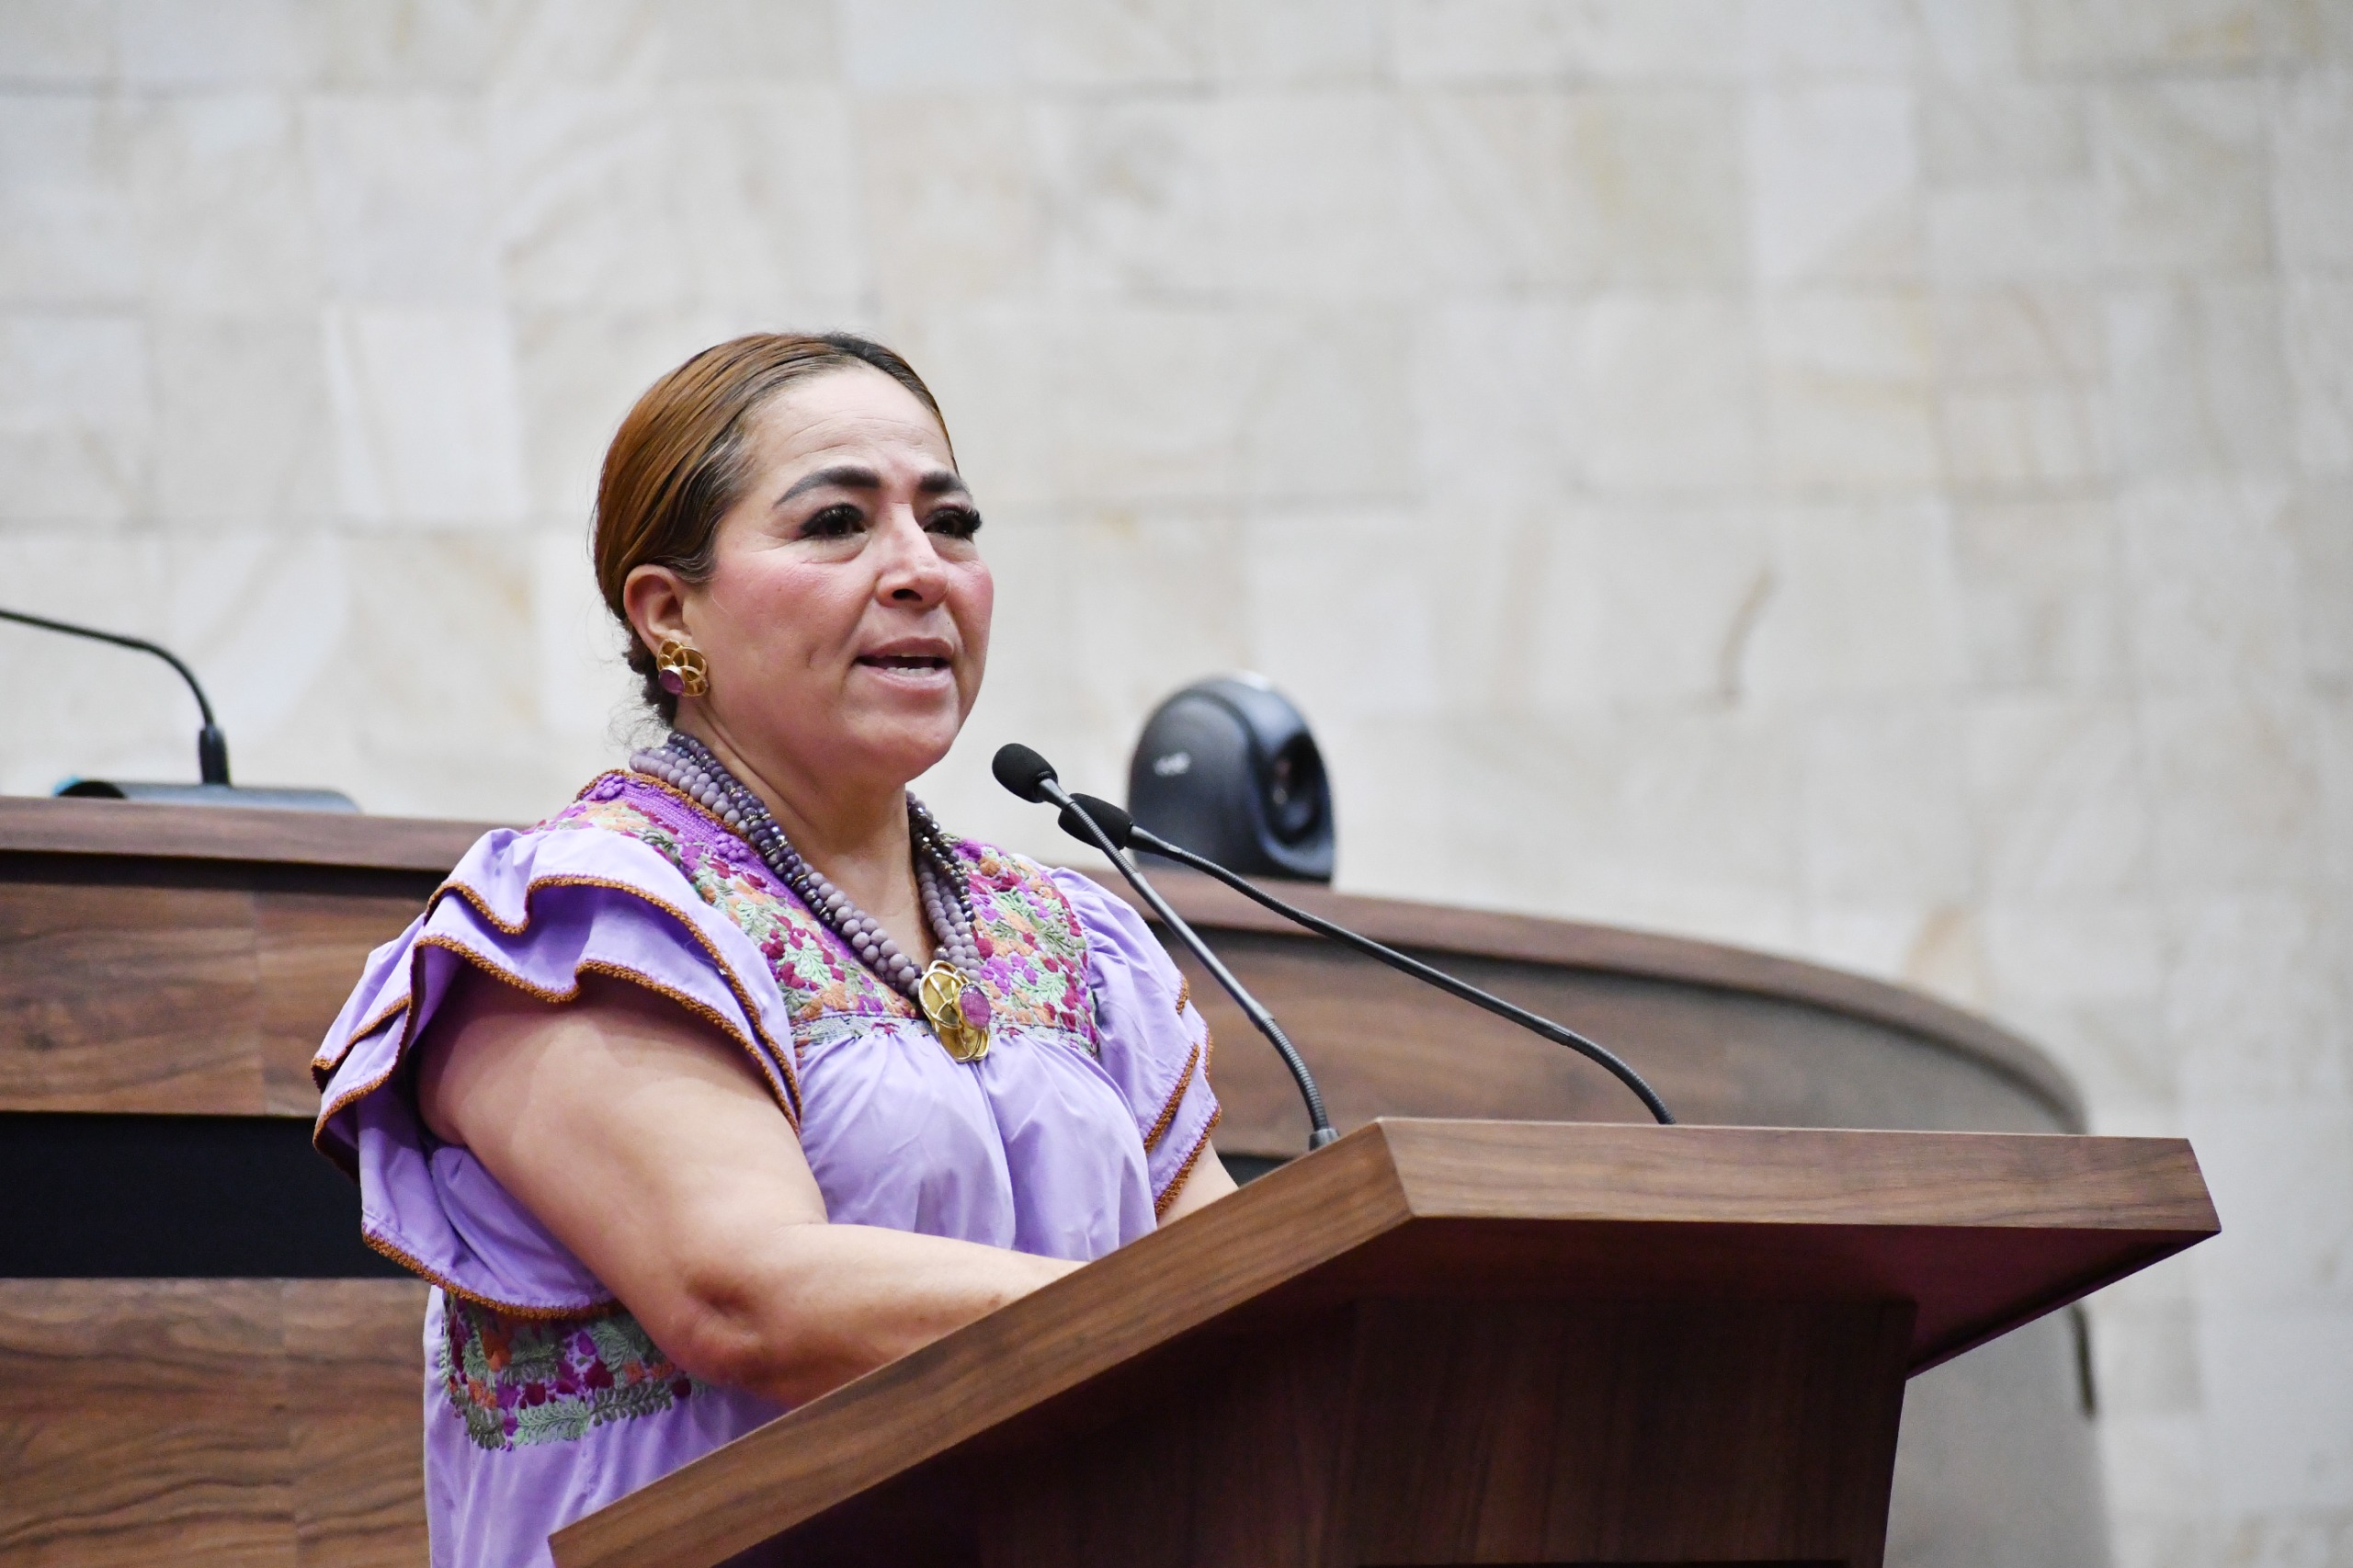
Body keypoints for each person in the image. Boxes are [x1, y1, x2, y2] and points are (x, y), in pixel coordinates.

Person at [311, 333, 1233, 1565]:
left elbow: (1245, 1292)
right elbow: (746, 1295)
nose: (920, 568)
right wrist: (1194, 1315)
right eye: (837, 523)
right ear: (669, 613)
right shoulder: (576, 922)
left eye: (950, 522)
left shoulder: (1077, 938)